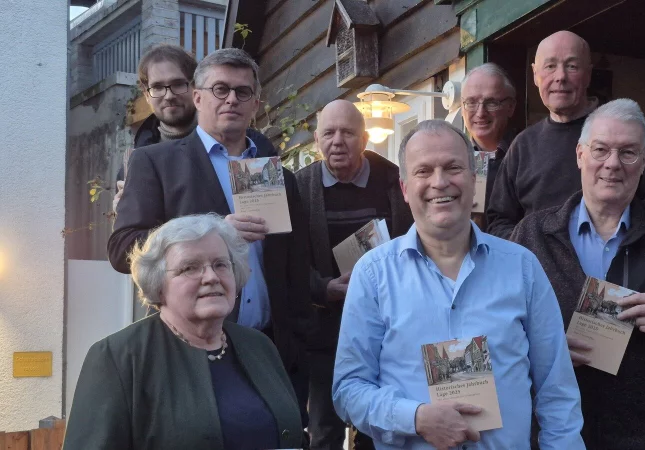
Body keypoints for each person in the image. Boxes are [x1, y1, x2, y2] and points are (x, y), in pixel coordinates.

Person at [332, 120, 585, 449]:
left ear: (474, 178)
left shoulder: (522, 268)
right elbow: (349, 389)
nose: (439, 182)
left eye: (453, 167)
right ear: (406, 188)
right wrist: (415, 417)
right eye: (423, 171)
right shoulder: (374, 274)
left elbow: (557, 393)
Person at [510, 99, 645, 448]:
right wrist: (542, 352)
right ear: (580, 154)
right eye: (601, 150)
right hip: (550, 436)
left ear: (644, 162)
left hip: (642, 438)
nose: (612, 164)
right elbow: (495, 333)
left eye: (628, 153)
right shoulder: (532, 235)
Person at [108, 48, 313, 427]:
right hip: (189, 347)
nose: (232, 99)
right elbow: (123, 249)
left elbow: (296, 268)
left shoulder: (276, 174)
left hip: (271, 352)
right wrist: (214, 231)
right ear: (197, 97)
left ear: (255, 103)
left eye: (242, 92)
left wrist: (298, 340)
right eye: (220, 89)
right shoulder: (155, 162)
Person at [64, 214, 304, 449]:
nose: (211, 277)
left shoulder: (259, 346)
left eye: (221, 264)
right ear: (158, 285)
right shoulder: (117, 358)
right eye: (190, 267)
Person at [296, 100, 413, 450]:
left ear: (364, 139)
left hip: (387, 325)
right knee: (324, 429)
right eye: (329, 133)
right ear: (317, 140)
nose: (338, 141)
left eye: (347, 132)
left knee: (378, 424)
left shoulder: (395, 181)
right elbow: (285, 260)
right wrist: (323, 287)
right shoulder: (300, 187)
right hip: (325, 329)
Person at [486, 30, 645, 239]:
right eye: (550, 66)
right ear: (535, 75)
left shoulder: (623, 133)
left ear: (588, 73)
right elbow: (499, 220)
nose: (560, 77)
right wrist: (533, 252)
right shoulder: (523, 146)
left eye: (572, 66)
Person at [113, 44, 276, 211]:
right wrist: (125, 216)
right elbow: (133, 235)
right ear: (147, 95)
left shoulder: (252, 148)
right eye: (158, 87)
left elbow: (266, 222)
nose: (169, 95)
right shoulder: (137, 163)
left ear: (196, 88)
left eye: (178, 84)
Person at [460, 63, 518, 230]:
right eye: (471, 102)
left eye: (491, 103)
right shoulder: (452, 160)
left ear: (511, 107)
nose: (480, 113)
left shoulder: (528, 155)